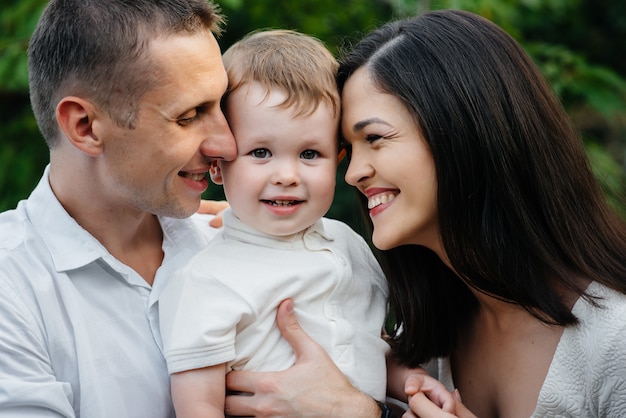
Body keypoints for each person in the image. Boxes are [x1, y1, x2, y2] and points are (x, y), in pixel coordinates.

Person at [223, 9, 626, 418]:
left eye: (375, 138)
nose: (354, 174)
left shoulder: (616, 338)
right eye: (348, 148)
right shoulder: (422, 336)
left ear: (464, 129)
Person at [0, 0, 237, 416]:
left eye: (222, 105)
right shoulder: (12, 289)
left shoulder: (230, 245)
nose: (227, 144)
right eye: (189, 115)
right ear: (85, 127)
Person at [158, 29, 391, 418]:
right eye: (261, 152)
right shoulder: (206, 279)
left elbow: (369, 347)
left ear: (339, 160)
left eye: (310, 153)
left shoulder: (352, 245)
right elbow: (199, 405)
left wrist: (408, 379)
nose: (286, 175)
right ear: (218, 164)